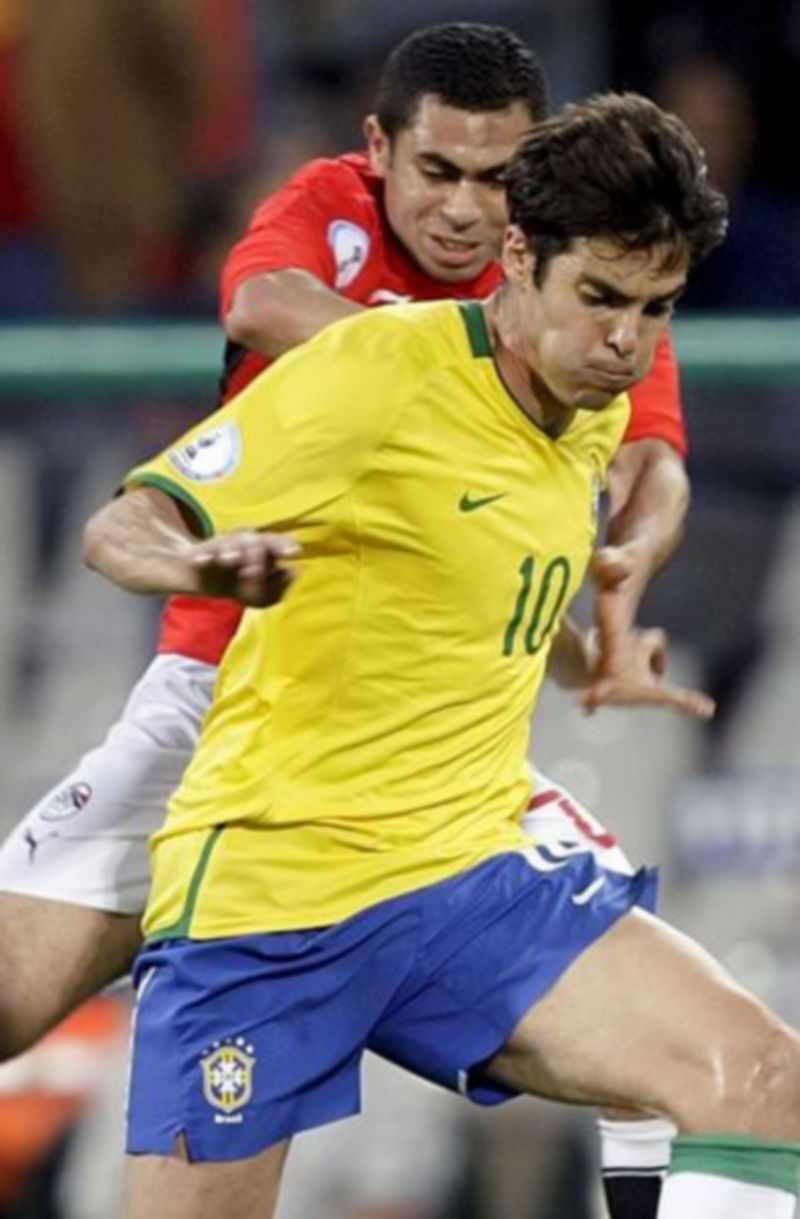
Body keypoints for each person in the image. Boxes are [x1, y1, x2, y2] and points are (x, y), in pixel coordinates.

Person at [0, 23, 698, 1218]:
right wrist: (433, 375)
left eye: (498, 178)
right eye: (437, 171)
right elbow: (258, 300)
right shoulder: (346, 233)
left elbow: (653, 462)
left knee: (677, 1039)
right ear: (378, 151)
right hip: (232, 708)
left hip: (431, 747)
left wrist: (615, 594)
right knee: (17, 994)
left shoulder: (584, 290)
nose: (465, 210)